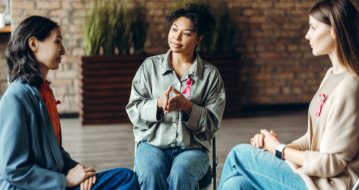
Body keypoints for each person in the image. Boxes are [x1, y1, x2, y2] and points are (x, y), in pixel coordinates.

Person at [218, 0, 359, 189]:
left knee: (239, 153)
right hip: (311, 176)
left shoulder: (350, 86)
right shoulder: (331, 76)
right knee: (236, 185)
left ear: (335, 30)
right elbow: (313, 138)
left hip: (328, 184)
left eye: (313, 28)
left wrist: (279, 150)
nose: (307, 36)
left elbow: (332, 163)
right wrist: (273, 147)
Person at [0, 16, 139, 190]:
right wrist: (64, 181)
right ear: (33, 44)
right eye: (57, 42)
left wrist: (78, 170)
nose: (63, 50)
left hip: (56, 181)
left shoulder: (43, 92)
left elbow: (54, 151)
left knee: (125, 177)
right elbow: (13, 170)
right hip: (36, 186)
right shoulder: (15, 98)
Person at [126, 3, 226, 190]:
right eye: (174, 29)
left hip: (193, 149)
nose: (176, 37)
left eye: (186, 33)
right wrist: (157, 104)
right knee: (151, 172)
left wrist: (188, 107)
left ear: (199, 39)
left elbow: (212, 124)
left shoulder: (211, 76)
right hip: (152, 145)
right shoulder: (149, 68)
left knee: (182, 173)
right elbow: (133, 110)